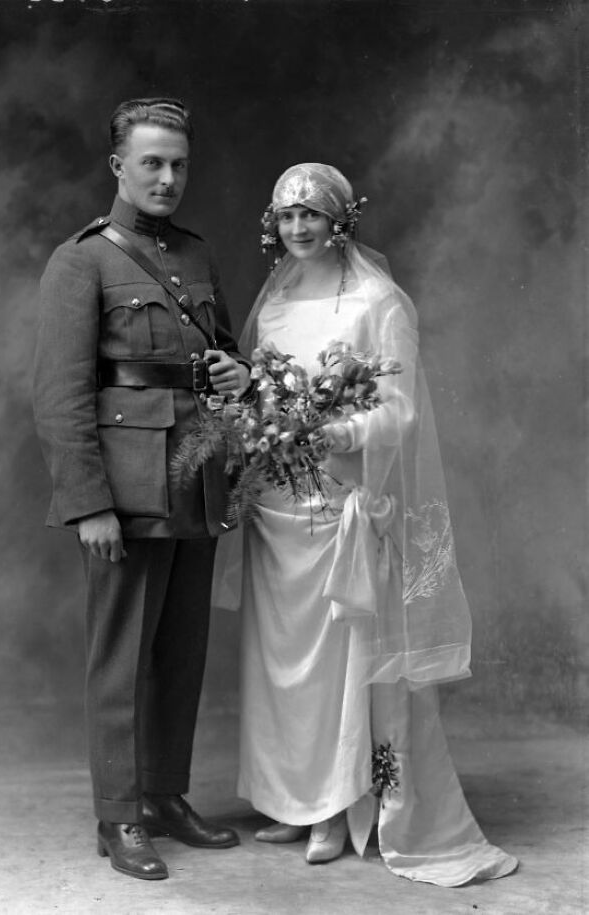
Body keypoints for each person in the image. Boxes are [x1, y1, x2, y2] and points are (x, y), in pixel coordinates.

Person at [218, 163, 518, 886]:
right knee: (278, 665)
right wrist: (258, 414)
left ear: (340, 221)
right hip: (277, 511)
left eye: (311, 215)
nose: (297, 228)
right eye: (285, 216)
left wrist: (333, 432)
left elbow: (401, 409)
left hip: (340, 509)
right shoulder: (278, 302)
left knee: (335, 666)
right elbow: (261, 390)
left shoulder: (379, 302)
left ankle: (338, 802)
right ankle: (290, 797)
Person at [33, 98, 250, 881]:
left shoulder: (194, 254)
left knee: (180, 654)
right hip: (125, 492)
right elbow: (60, 398)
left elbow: (222, 353)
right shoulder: (82, 261)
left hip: (194, 481)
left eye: (178, 164)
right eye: (152, 162)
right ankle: (118, 815)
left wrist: (237, 371)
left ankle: (164, 795)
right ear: (118, 167)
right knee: (122, 657)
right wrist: (89, 502)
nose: (166, 177)